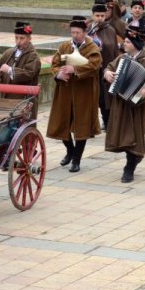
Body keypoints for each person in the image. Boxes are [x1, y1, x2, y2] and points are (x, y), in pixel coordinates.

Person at [104, 24, 145, 183]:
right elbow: (109, 67)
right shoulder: (122, 58)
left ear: (135, 44)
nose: (124, 44)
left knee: (135, 134)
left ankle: (130, 167)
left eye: (127, 42)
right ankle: (133, 159)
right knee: (122, 132)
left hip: (137, 105)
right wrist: (107, 74)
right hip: (121, 103)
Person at [47, 15, 102, 173]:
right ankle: (70, 150)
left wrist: (75, 69)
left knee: (82, 125)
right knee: (61, 122)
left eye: (78, 32)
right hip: (65, 90)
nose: (75, 35)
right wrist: (58, 74)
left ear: (85, 33)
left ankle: (77, 159)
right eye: (73, 32)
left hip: (84, 92)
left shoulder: (92, 48)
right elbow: (55, 63)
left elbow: (94, 65)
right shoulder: (64, 46)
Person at [0, 21, 41, 117]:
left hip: (24, 101)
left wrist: (11, 70)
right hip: (6, 99)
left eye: (22, 38)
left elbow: (28, 73)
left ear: (29, 38)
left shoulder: (33, 56)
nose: (18, 41)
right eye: (16, 38)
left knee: (21, 127)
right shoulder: (9, 52)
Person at [87, 1, 118, 129]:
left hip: (105, 67)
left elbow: (113, 48)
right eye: (97, 15)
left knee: (106, 97)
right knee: (92, 97)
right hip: (91, 69)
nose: (100, 18)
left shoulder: (110, 30)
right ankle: (91, 124)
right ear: (93, 15)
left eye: (102, 16)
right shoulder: (88, 30)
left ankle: (107, 120)